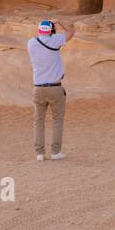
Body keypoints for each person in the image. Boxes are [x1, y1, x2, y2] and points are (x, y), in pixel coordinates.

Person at [27, 19, 74, 161]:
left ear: (39, 30)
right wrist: (59, 22)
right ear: (51, 30)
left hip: (38, 88)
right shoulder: (55, 40)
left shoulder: (31, 43)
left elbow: (40, 37)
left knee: (38, 121)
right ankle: (55, 152)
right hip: (55, 87)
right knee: (57, 120)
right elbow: (71, 31)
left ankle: (39, 153)